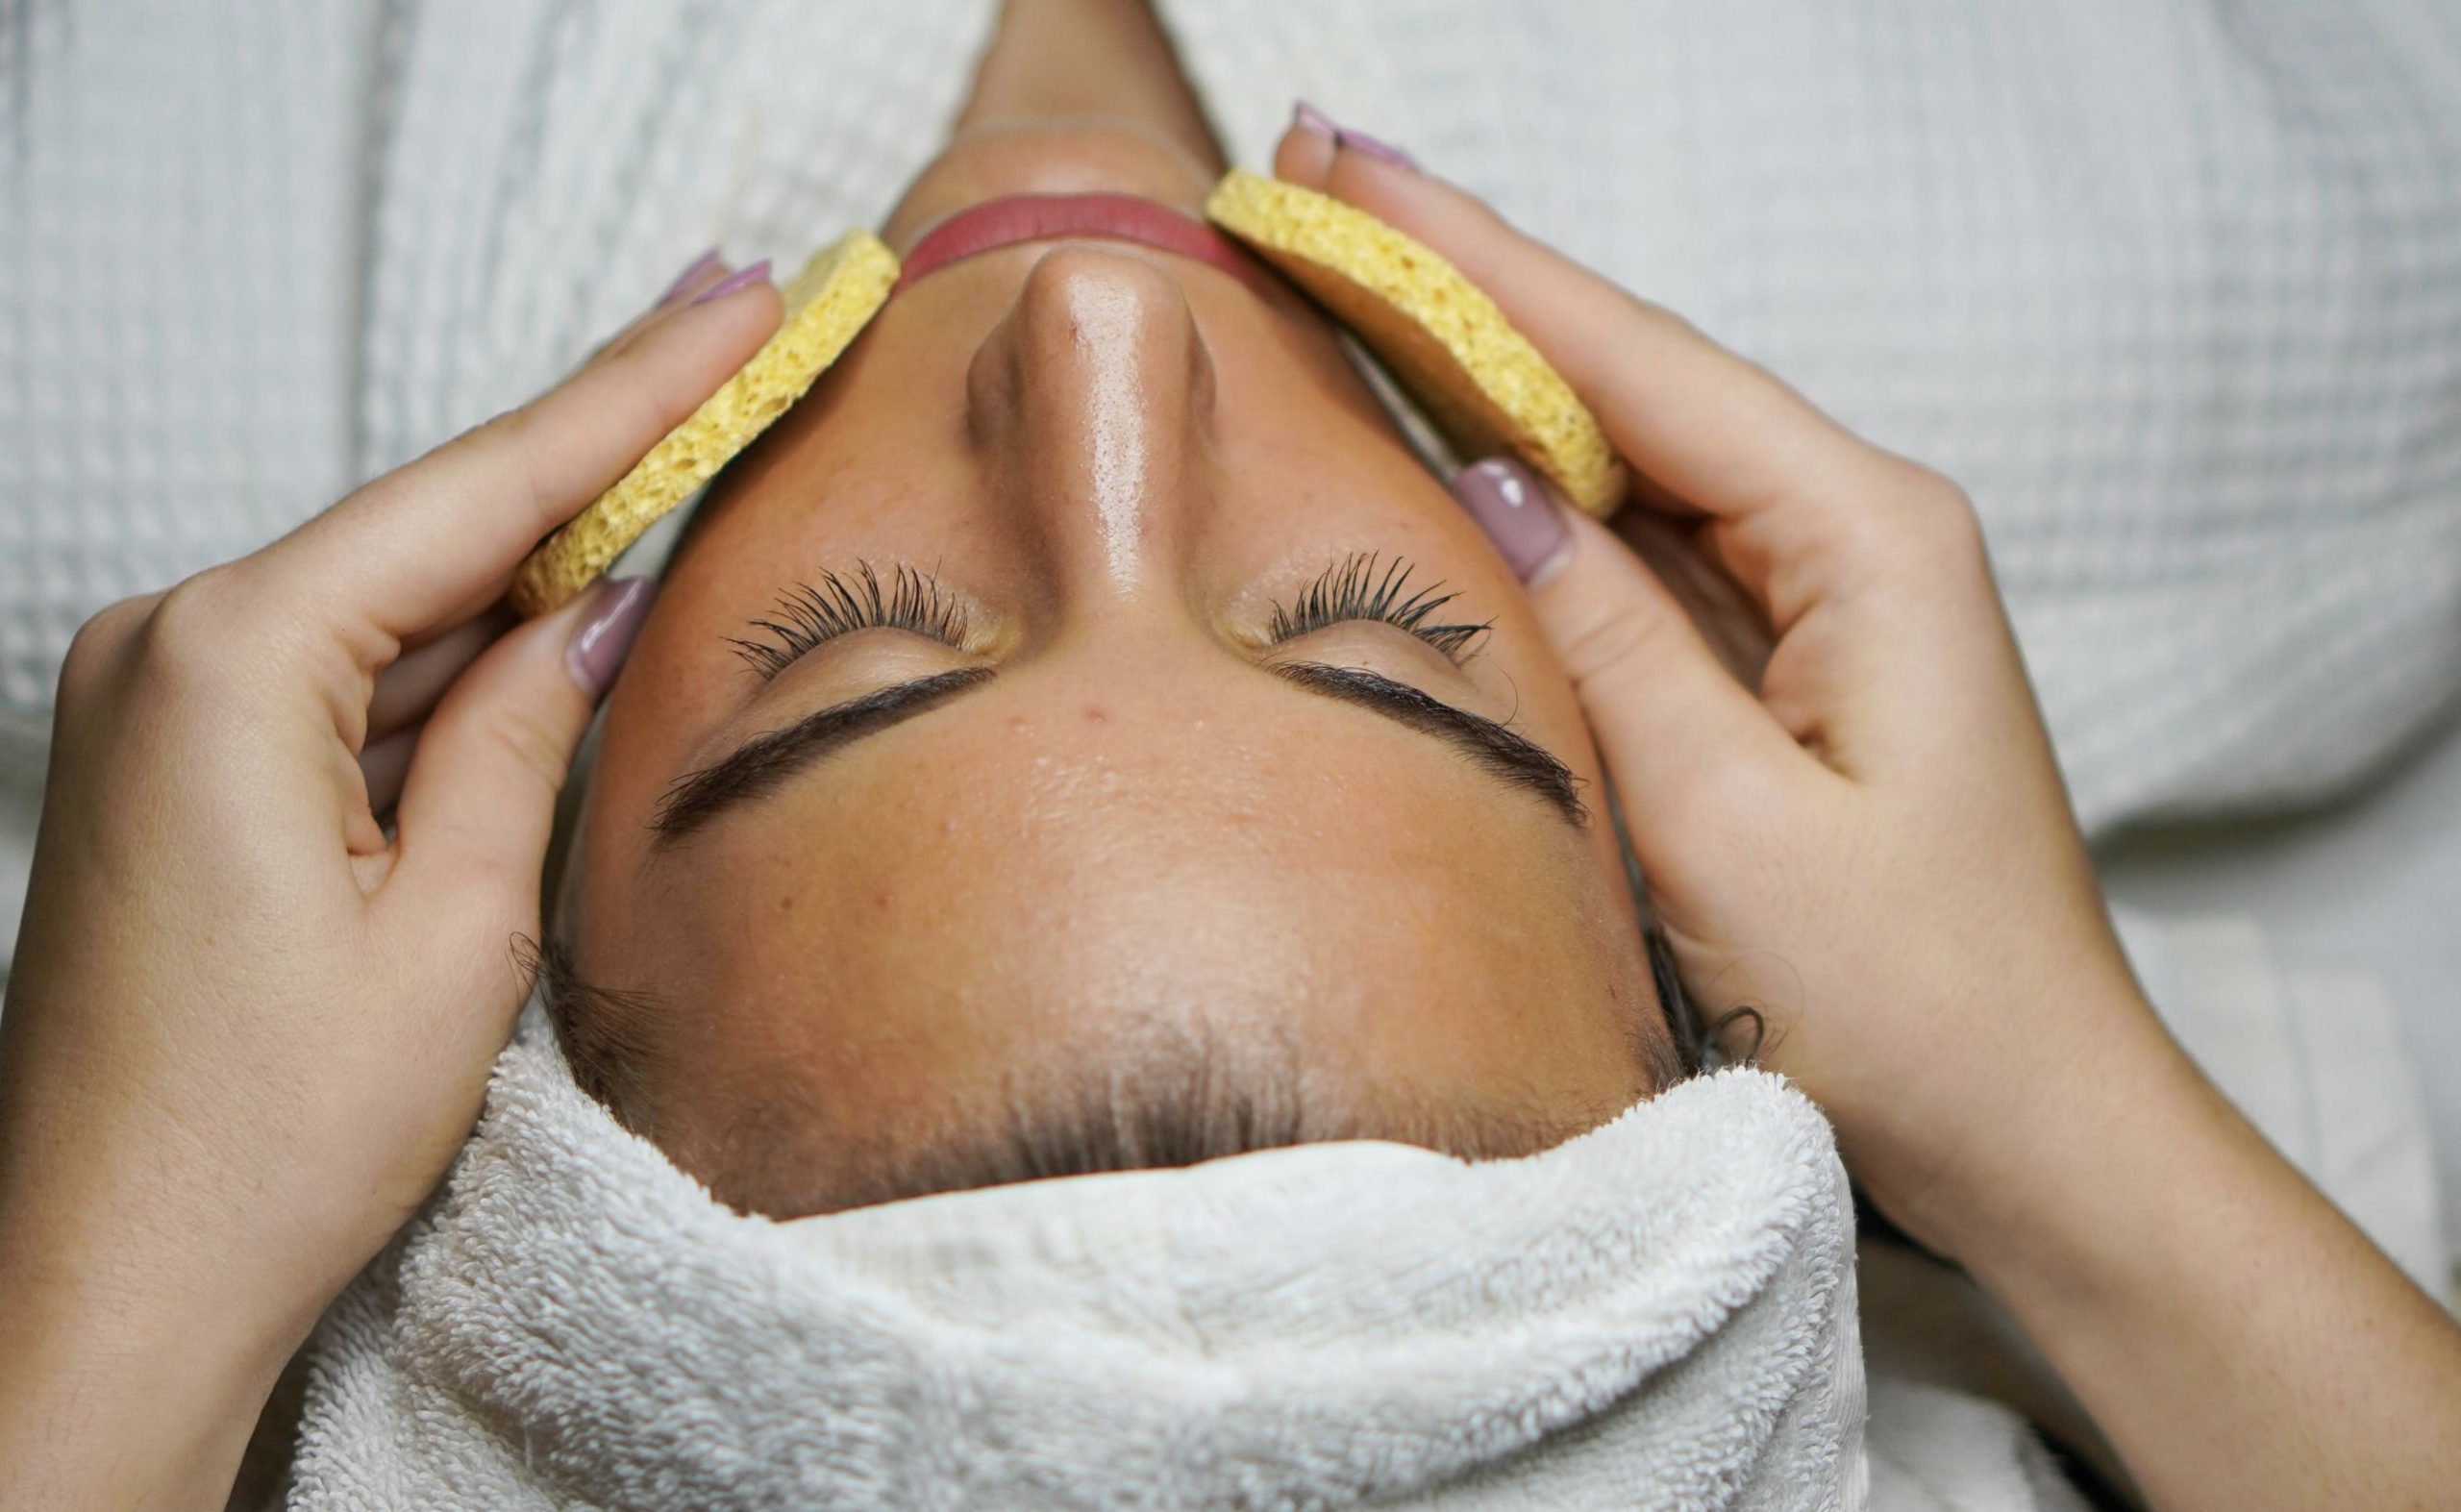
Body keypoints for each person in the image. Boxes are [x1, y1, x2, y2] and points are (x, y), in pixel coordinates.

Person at [3, 2, 2457, 1506]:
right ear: (1666, 846)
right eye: (1382, 644)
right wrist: (2068, 1117)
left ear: (500, 889)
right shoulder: (2223, 343)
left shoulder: (89, 330)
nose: (1095, 345)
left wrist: (97, 1328)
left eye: (855, 658)